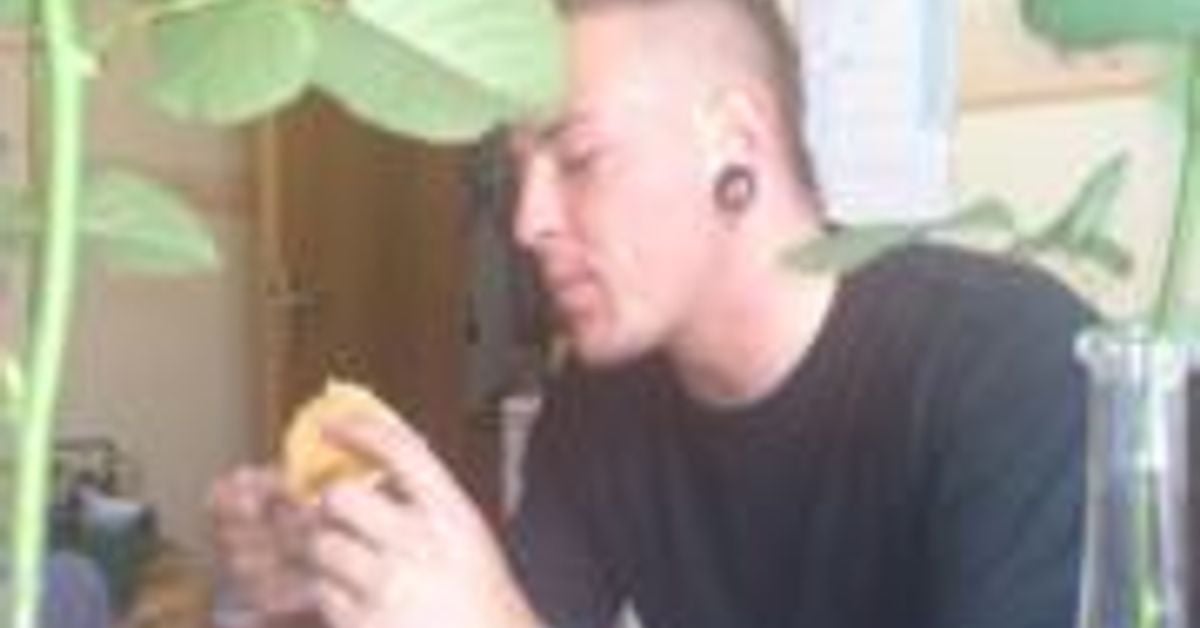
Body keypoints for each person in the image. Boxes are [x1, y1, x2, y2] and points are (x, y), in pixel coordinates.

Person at [209, 0, 1095, 626]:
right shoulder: (598, 402)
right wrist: (320, 593)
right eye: (520, 174)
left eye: (579, 158)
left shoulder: (1016, 374)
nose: (527, 222)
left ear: (735, 142)